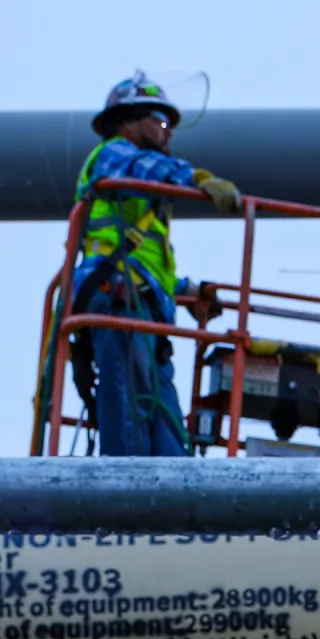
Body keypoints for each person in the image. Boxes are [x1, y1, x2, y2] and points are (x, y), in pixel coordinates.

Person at [68, 72, 241, 456]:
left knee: (165, 428)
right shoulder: (113, 154)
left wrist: (187, 292)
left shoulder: (143, 206)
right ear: (128, 121)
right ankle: (123, 504)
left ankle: (174, 504)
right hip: (118, 299)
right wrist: (196, 178)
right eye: (160, 122)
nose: (168, 133)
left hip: (142, 306)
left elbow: (148, 264)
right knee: (128, 416)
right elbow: (150, 168)